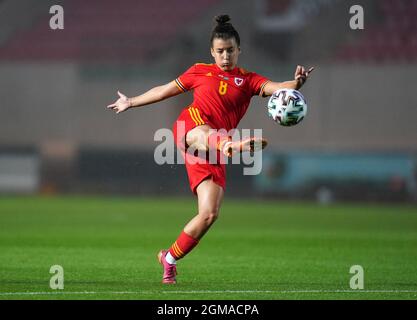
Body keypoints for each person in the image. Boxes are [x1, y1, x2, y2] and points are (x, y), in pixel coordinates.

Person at [107, 15, 314, 284]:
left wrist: (296, 84)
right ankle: (230, 145)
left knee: (209, 215)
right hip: (191, 128)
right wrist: (131, 101)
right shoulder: (198, 71)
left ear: (239, 50)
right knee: (207, 132)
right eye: (220, 51)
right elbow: (164, 90)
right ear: (211, 52)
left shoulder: (249, 81)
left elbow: (278, 88)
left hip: (211, 151)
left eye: (230, 50)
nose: (225, 56)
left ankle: (168, 259)